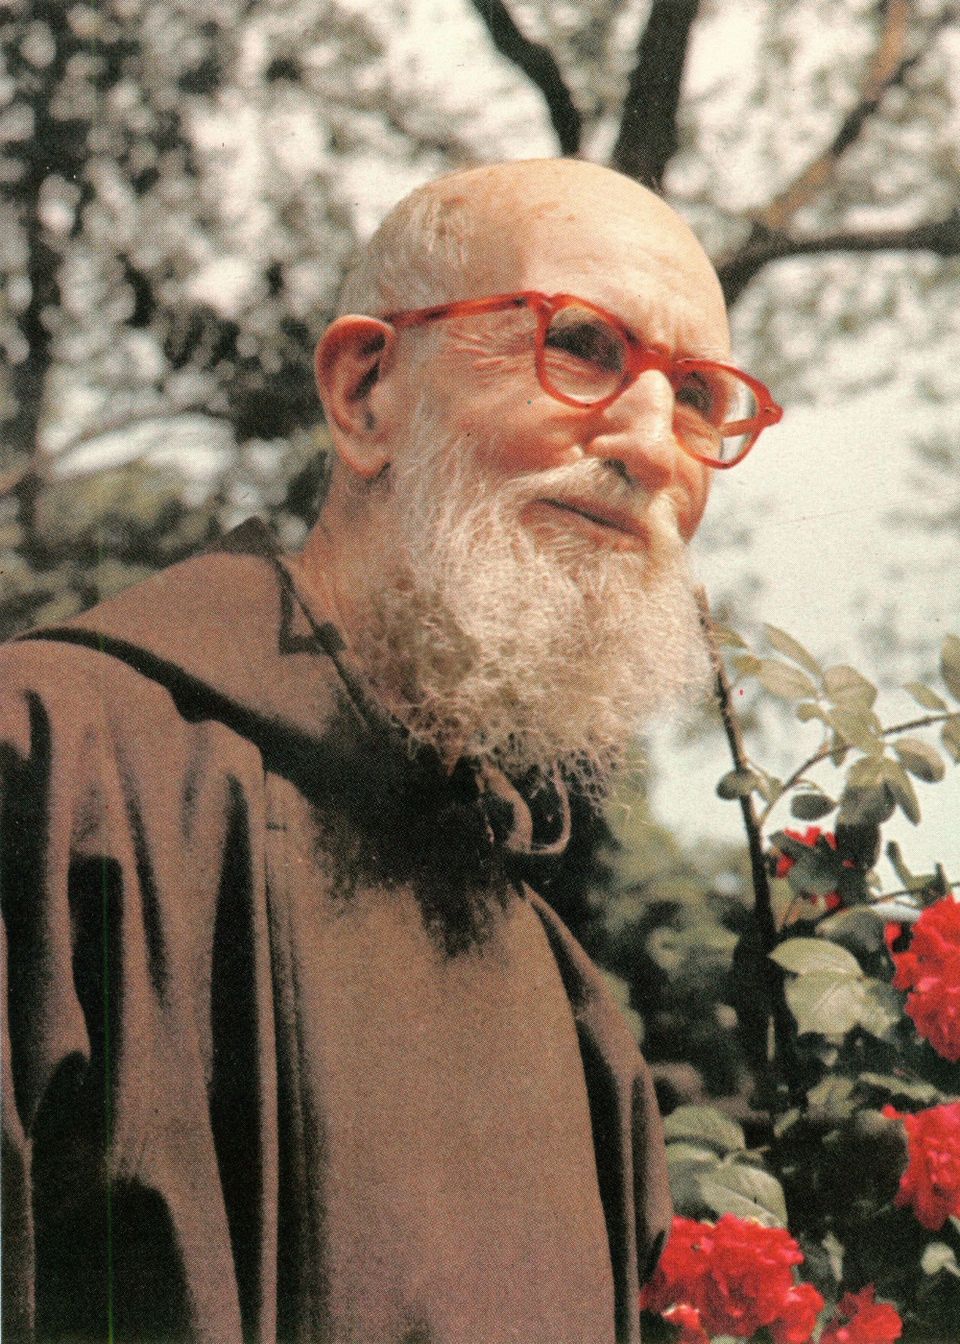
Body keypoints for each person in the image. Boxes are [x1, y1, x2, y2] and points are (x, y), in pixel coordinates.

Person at [1, 158, 782, 1343]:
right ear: (365, 391)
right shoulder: (48, 771)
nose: (651, 446)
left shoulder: (580, 1027)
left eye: (697, 398)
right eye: (580, 345)